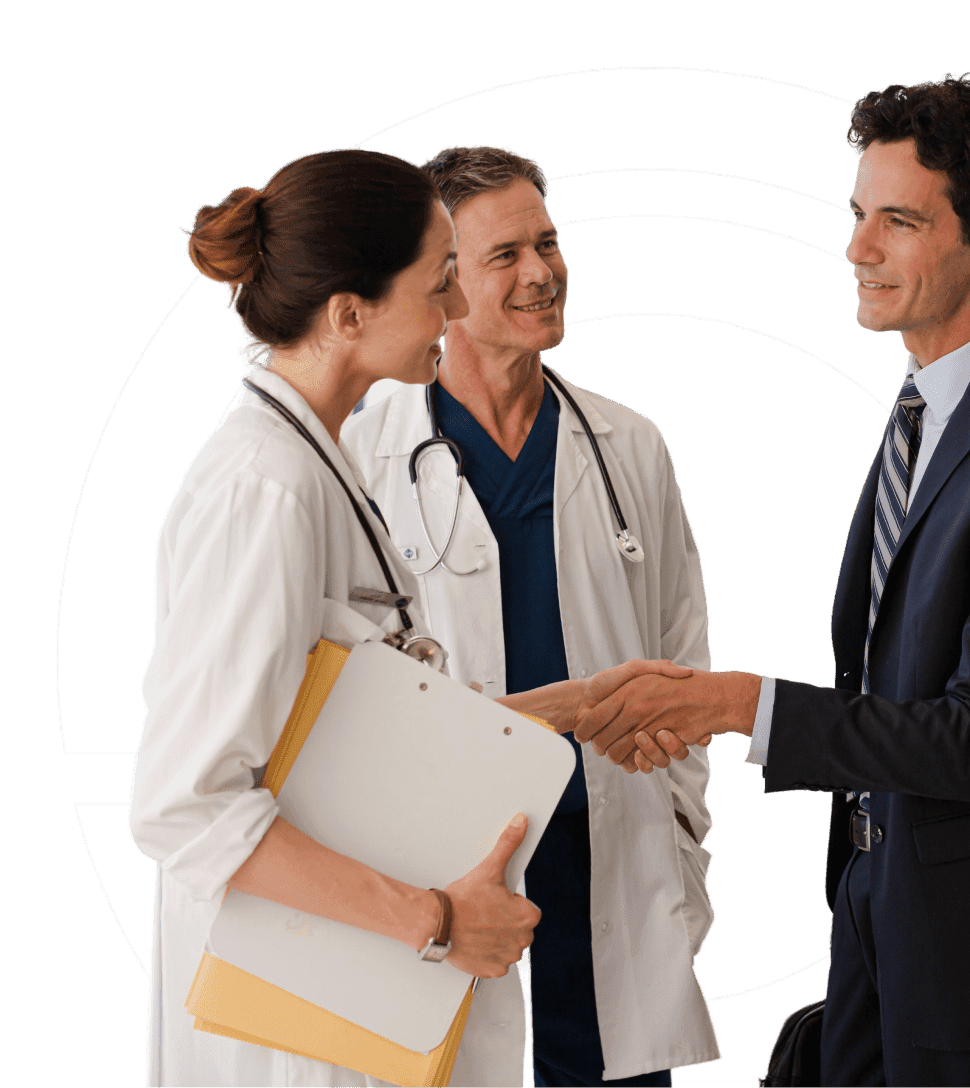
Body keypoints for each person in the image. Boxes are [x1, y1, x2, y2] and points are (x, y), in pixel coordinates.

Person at [575, 74, 970, 1087]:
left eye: (897, 222)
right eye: (855, 216)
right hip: (885, 893)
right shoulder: (930, 403)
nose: (858, 250)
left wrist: (737, 705)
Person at [129, 148, 677, 1087]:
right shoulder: (265, 489)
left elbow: (352, 726)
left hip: (355, 985)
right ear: (350, 314)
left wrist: (570, 707)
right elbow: (189, 805)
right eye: (440, 287)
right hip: (301, 1012)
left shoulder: (312, 462)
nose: (457, 312)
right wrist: (439, 919)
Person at [341, 147, 719, 1087]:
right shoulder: (361, 450)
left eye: (547, 243)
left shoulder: (631, 444)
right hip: (450, 877)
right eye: (505, 254)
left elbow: (684, 659)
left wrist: (682, 840)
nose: (543, 272)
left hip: (610, 871)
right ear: (445, 281)